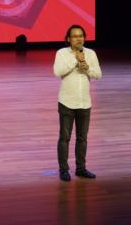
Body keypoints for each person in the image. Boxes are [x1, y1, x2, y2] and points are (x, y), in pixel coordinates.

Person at [53, 24, 102, 181]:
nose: (78, 39)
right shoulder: (62, 53)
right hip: (67, 102)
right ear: (68, 39)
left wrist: (87, 68)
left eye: (81, 36)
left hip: (84, 102)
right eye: (74, 36)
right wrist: (75, 61)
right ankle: (64, 169)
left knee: (82, 138)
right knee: (65, 137)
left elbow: (98, 74)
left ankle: (81, 168)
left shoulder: (90, 53)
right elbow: (57, 72)